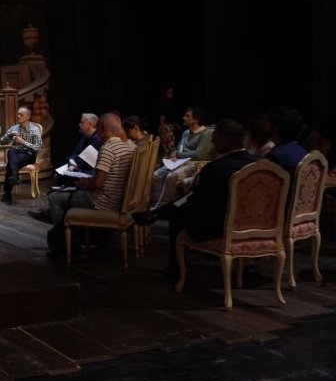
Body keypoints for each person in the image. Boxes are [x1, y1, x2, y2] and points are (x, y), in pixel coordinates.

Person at [132, 119, 257, 278]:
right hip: (257, 226)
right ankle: (160, 213)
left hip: (221, 227)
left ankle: (175, 269)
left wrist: (170, 210)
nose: (212, 141)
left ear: (225, 140)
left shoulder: (215, 169)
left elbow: (196, 202)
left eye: (215, 137)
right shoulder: (261, 165)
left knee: (179, 217)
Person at [29, 113, 135, 257]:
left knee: (55, 198)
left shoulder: (108, 149)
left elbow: (98, 183)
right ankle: (70, 231)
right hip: (117, 197)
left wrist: (86, 183)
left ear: (102, 128)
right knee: (67, 191)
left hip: (101, 200)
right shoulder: (129, 147)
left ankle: (67, 243)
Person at [150, 106, 214, 207]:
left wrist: (179, 154)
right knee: (156, 175)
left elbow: (199, 154)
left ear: (197, 119)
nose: (184, 118)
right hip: (179, 161)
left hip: (195, 164)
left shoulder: (206, 134)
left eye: (187, 116)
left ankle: (162, 206)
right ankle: (157, 202)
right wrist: (174, 155)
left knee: (172, 177)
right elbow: (179, 149)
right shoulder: (186, 133)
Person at [0, 106, 42, 204]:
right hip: (15, 154)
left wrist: (23, 142)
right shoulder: (14, 128)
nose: (18, 116)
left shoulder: (34, 130)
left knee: (11, 164)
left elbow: (38, 148)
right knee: (12, 151)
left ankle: (7, 194)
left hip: (28, 154)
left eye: (21, 114)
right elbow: (1, 142)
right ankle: (14, 175)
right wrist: (10, 136)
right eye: (18, 114)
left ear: (28, 117)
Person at [52, 113, 102, 187]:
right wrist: (72, 163)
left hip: (88, 170)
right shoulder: (84, 137)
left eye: (82, 123)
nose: (79, 124)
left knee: (64, 178)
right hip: (78, 167)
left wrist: (76, 165)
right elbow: (75, 153)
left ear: (91, 125)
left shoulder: (97, 140)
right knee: (58, 175)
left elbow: (88, 160)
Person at [266, 106, 308, 174]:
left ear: (276, 127)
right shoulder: (303, 152)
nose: (264, 125)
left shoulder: (274, 157)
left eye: (267, 122)